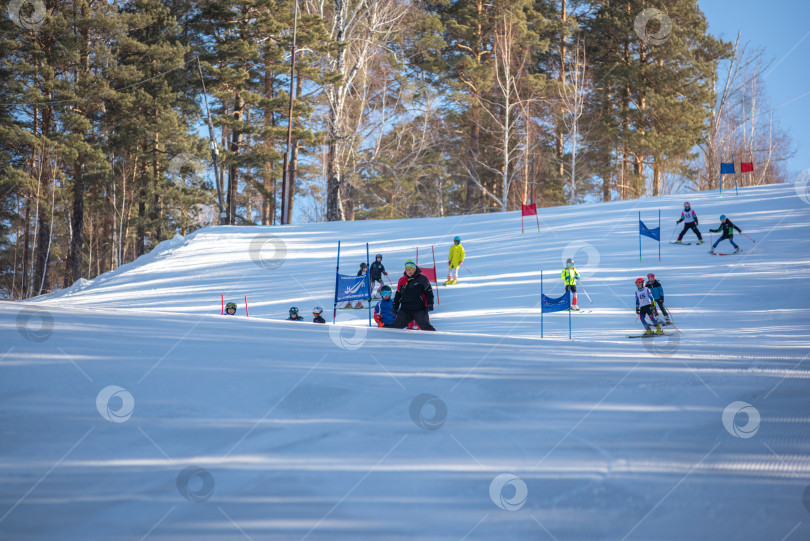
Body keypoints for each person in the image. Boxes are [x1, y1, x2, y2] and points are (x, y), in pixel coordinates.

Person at [393, 259, 436, 331]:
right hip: (405, 309)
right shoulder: (402, 280)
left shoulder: (422, 279)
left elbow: (429, 293)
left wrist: (430, 304)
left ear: (415, 269)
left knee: (426, 328)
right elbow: (398, 295)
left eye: (411, 269)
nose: (409, 271)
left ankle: (435, 339)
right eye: (407, 269)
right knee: (395, 327)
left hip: (419, 309)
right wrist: (395, 306)